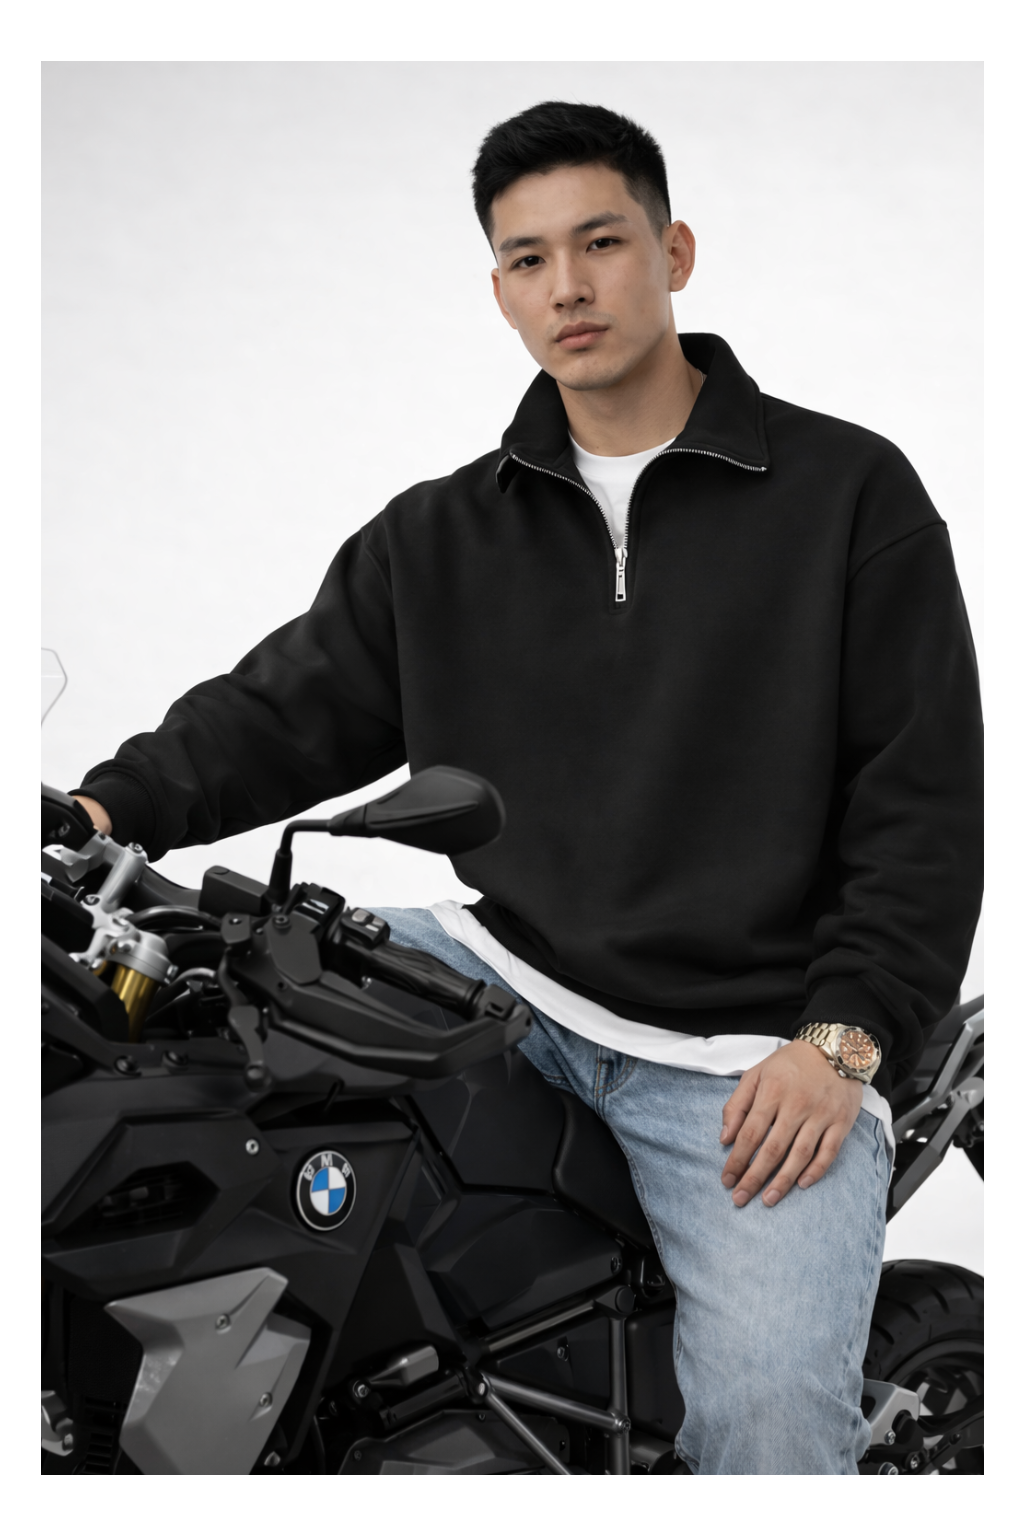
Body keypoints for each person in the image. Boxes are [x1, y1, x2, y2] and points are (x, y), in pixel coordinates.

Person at [72, 101, 983, 1475]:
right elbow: (280, 713)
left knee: (767, 1426)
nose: (568, 286)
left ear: (674, 253)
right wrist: (101, 814)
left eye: (601, 242)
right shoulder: (445, 531)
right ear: (498, 288)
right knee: (179, 1026)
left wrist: (843, 1042)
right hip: (506, 979)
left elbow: (926, 806)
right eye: (528, 257)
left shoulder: (850, 494)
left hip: (750, 1045)